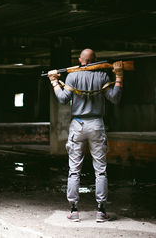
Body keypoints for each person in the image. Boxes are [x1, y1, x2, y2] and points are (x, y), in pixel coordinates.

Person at [48, 48, 123, 222]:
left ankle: (73, 211)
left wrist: (54, 82)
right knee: (101, 170)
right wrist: (119, 77)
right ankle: (101, 211)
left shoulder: (72, 77)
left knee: (74, 170)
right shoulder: (103, 76)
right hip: (97, 124)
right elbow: (115, 98)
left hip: (78, 125)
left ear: (81, 61)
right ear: (95, 60)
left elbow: (62, 99)